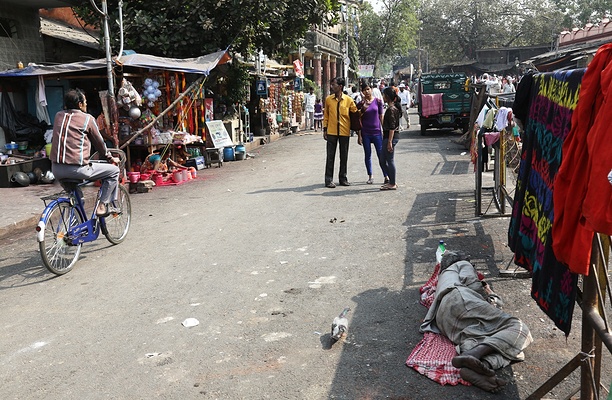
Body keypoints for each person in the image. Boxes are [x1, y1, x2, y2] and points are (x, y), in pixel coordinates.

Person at [420, 251, 533, 393]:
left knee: (501, 345)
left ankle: (481, 364)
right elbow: (475, 287)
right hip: (461, 300)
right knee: (518, 328)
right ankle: (473, 355)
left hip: (443, 319)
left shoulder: (444, 276)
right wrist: (490, 293)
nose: (472, 266)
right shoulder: (461, 264)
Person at [50, 89, 120, 217]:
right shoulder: (87, 119)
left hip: (57, 169)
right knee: (113, 171)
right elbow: (99, 144)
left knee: (78, 199)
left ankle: (75, 228)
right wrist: (110, 158)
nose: (86, 105)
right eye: (85, 102)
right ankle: (102, 205)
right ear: (80, 104)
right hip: (77, 169)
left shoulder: (58, 116)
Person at [323, 76, 358, 188]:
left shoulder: (348, 100)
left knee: (344, 156)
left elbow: (355, 113)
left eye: (334, 85)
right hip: (331, 131)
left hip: (344, 132)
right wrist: (325, 129)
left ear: (340, 86)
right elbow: (326, 115)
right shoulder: (328, 100)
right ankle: (328, 180)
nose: (332, 87)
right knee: (330, 156)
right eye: (332, 84)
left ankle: (343, 178)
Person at [356, 82, 388, 185]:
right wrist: (359, 135)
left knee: (381, 155)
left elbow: (381, 117)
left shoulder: (378, 102)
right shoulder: (361, 104)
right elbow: (358, 119)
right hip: (366, 133)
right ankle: (370, 176)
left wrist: (384, 131)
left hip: (377, 132)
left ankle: (386, 175)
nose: (367, 91)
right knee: (367, 155)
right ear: (362, 92)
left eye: (368, 89)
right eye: (364, 90)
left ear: (371, 89)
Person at [380, 87, 401, 190]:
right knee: (383, 160)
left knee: (389, 159)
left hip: (390, 137)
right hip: (388, 137)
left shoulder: (391, 109)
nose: (383, 97)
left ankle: (392, 183)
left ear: (387, 97)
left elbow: (392, 127)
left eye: (384, 95)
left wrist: (389, 142)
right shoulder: (392, 108)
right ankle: (391, 181)